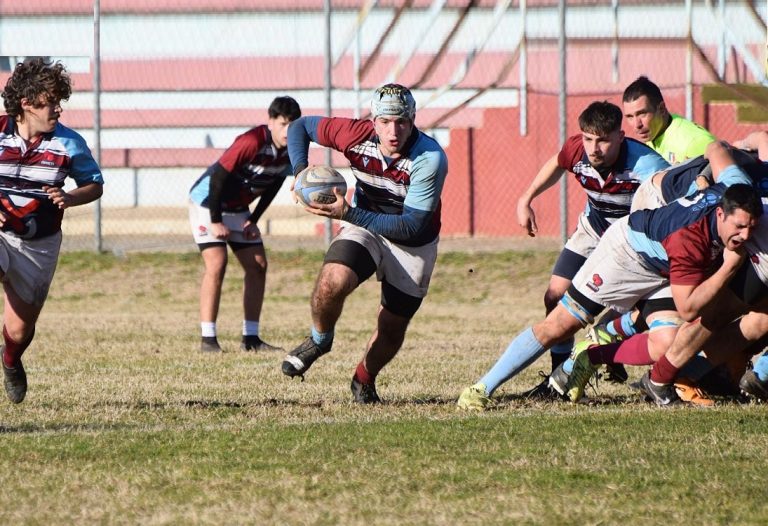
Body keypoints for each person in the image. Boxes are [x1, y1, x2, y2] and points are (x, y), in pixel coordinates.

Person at [457, 101, 668, 409]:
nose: (593, 148)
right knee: (554, 296)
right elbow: (556, 163)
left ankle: (590, 355)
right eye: (588, 138)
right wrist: (525, 199)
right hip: (593, 228)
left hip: (628, 241)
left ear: (621, 137)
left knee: (624, 308)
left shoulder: (647, 168)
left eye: (603, 140)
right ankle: (559, 374)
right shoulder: (577, 150)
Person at [547, 141, 762, 406]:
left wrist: (716, 169)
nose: (747, 234)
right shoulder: (690, 238)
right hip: (636, 246)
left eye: (752, 227)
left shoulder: (736, 185)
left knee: (667, 339)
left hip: (664, 252)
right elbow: (689, 309)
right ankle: (485, 388)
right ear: (721, 213)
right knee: (564, 319)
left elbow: (718, 147)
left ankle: (599, 351)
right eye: (741, 226)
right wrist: (729, 267)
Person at [280, 83, 448, 404]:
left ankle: (363, 378)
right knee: (332, 281)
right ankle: (320, 339)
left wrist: (348, 213)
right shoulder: (354, 134)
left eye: (401, 121)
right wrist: (301, 171)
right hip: (366, 224)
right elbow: (300, 127)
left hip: (412, 242)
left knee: (391, 325)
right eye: (385, 122)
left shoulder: (430, 158)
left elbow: (410, 226)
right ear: (373, 121)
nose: (393, 130)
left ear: (413, 121)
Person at [0, 58, 104, 403]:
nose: (58, 109)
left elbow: (94, 185)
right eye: (50, 101)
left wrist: (70, 197)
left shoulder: (69, 143)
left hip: (38, 244)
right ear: (26, 103)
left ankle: (11, 360)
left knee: (19, 328)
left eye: (60, 100)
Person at [188, 96, 301, 353]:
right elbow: (218, 176)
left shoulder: (292, 150)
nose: (287, 130)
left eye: (293, 125)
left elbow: (275, 183)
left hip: (238, 208)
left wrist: (253, 218)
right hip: (208, 203)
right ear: (271, 121)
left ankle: (250, 339)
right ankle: (208, 340)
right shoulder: (251, 142)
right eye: (283, 123)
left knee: (258, 265)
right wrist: (216, 221)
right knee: (217, 263)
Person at [622, 75, 715, 164]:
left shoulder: (694, 141)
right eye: (630, 116)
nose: (637, 125)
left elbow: (726, 176)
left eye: (642, 114)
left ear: (661, 109)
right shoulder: (653, 134)